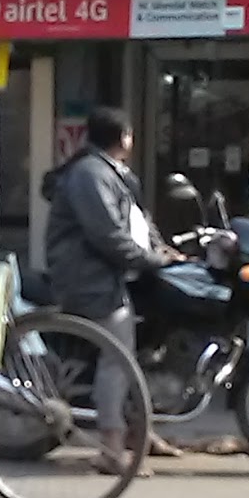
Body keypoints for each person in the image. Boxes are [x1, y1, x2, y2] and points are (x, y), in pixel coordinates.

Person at [44, 107, 180, 473]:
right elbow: (107, 235)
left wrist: (161, 250)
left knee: (141, 349)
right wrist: (151, 260)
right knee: (117, 359)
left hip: (116, 275)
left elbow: (138, 221)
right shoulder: (90, 175)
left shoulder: (113, 174)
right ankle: (112, 449)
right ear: (123, 139)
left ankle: (141, 433)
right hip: (90, 279)